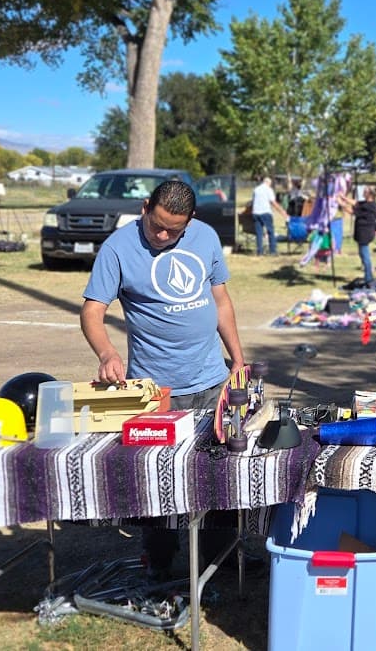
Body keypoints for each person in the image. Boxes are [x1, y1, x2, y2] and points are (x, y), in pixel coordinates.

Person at [79, 179, 249, 574]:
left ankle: (220, 558)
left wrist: (237, 359)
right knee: (158, 478)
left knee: (216, 476)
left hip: (210, 381)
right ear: (144, 207)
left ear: (191, 222)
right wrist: (107, 353)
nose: (162, 235)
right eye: (156, 224)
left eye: (174, 230)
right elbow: (92, 311)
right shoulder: (118, 249)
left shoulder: (205, 238)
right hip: (155, 389)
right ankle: (160, 562)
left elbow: (220, 301)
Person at [348, 186, 376, 287]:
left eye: (365, 191)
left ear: (370, 194)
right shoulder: (367, 204)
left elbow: (353, 211)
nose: (363, 192)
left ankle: (369, 278)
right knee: (363, 254)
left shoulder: (369, 206)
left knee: (365, 255)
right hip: (364, 233)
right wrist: (342, 198)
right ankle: (368, 276)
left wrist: (340, 203)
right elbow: (356, 203)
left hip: (365, 233)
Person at [249, 174, 287, 256]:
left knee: (259, 233)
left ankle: (259, 252)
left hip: (256, 213)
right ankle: (272, 251)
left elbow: (252, 201)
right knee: (270, 231)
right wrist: (282, 211)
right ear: (268, 183)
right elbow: (273, 202)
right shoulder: (268, 190)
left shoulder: (256, 189)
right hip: (265, 212)